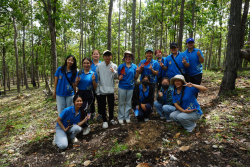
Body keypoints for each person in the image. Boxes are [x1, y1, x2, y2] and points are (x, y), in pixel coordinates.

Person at [75, 57, 98, 135]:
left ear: (91, 64)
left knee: (85, 108)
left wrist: (94, 80)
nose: (86, 64)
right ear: (82, 64)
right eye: (84, 63)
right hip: (80, 93)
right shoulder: (79, 73)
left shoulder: (93, 73)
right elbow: (76, 85)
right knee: (77, 109)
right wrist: (76, 82)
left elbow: (95, 87)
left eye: (87, 63)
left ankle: (86, 126)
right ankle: (79, 124)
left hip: (89, 94)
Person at [96, 50, 118, 128]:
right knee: (102, 106)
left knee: (111, 105)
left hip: (110, 90)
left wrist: (114, 71)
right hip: (102, 90)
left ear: (111, 56)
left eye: (109, 55)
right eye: (106, 56)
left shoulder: (114, 65)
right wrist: (97, 90)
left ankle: (111, 118)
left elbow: (117, 77)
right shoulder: (99, 66)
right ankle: (105, 120)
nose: (107, 57)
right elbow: (97, 79)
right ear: (103, 57)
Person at [118, 51, 139, 125]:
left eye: (129, 57)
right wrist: (119, 77)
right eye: (126, 57)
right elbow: (119, 76)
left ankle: (127, 117)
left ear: (131, 58)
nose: (128, 58)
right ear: (124, 58)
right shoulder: (121, 66)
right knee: (121, 103)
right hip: (122, 87)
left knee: (129, 103)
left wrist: (137, 72)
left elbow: (136, 78)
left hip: (131, 87)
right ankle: (120, 117)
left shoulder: (134, 66)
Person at [90, 50, 102, 121]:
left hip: (100, 85)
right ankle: (92, 113)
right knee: (91, 100)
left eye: (97, 54)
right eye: (94, 54)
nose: (95, 55)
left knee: (100, 100)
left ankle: (100, 113)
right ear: (92, 55)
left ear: (99, 55)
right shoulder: (89, 63)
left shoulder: (101, 64)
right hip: (90, 85)